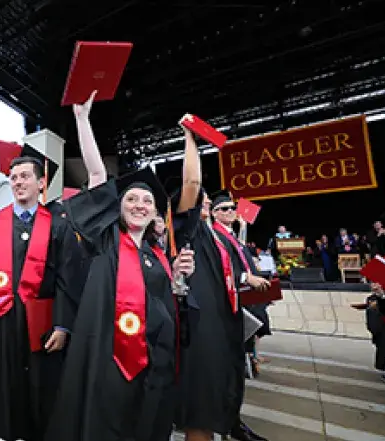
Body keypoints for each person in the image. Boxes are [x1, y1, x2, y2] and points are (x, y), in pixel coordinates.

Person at [44, 91, 196, 441]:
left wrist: (176, 280)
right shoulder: (106, 237)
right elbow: (97, 173)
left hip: (152, 364)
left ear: (157, 212)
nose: (140, 205)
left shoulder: (158, 255)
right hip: (106, 361)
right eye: (131, 199)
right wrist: (82, 120)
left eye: (147, 201)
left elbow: (161, 303)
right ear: (118, 207)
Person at [0, 144, 82, 440]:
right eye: (13, 177)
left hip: (40, 327)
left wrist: (63, 325)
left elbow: (68, 278)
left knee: (38, 396)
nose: (18, 182)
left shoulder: (58, 228)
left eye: (25, 176)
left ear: (41, 183)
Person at [169, 128, 249, 441]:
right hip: (201, 329)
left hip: (226, 323)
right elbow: (191, 182)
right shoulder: (191, 232)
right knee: (201, 411)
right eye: (199, 199)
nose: (203, 199)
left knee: (219, 399)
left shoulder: (217, 236)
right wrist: (191, 138)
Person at [210, 192, 270, 441]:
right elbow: (221, 269)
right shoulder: (213, 236)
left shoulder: (231, 237)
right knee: (228, 373)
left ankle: (234, 421)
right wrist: (246, 278)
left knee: (236, 371)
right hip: (225, 312)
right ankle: (228, 422)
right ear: (213, 213)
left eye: (232, 208)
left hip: (242, 307)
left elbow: (242, 261)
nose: (230, 211)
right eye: (223, 209)